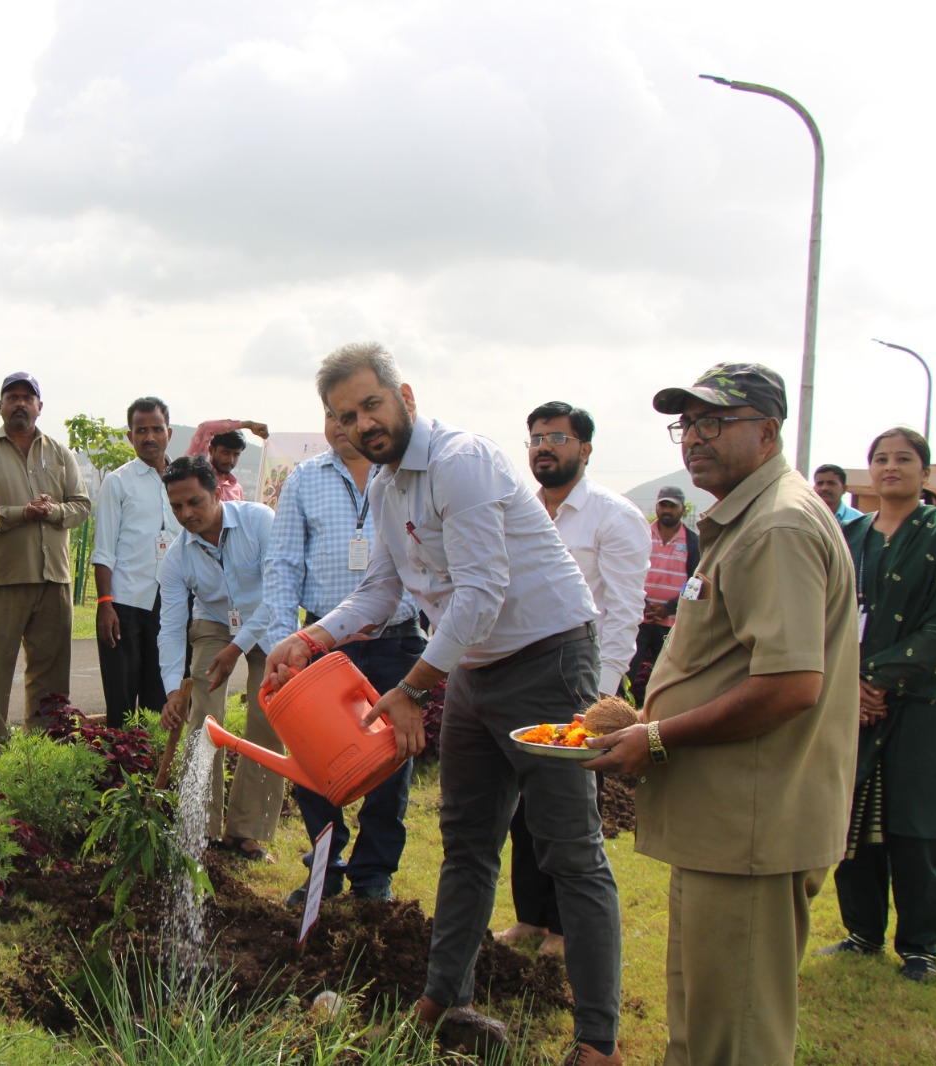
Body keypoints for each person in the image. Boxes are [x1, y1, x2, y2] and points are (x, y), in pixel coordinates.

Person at [264, 343, 620, 1064]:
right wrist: (313, 639)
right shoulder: (386, 488)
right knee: (466, 840)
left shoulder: (462, 461)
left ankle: (598, 1040)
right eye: (344, 416)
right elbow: (384, 590)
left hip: (548, 658)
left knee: (567, 849)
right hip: (475, 668)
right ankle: (444, 994)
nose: (362, 423)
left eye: (371, 404)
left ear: (405, 396)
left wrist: (409, 690)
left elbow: (482, 591)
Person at [585, 362, 857, 1066]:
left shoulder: (779, 526)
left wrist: (658, 738)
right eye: (688, 424)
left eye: (715, 422)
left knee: (735, 1035)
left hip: (752, 823)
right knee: (706, 1020)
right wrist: (645, 714)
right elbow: (733, 662)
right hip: (728, 822)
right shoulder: (745, 518)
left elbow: (790, 685)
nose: (694, 439)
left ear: (768, 432)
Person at [821, 428, 936, 982]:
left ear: (925, 473)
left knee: (916, 826)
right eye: (881, 459)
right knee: (851, 815)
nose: (891, 467)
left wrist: (876, 678)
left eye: (904, 459)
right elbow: (833, 614)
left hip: (925, 702)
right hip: (855, 703)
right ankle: (862, 932)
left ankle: (921, 948)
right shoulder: (853, 536)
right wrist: (851, 685)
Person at [497, 401, 649, 959]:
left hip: (582, 683)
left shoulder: (615, 515)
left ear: (585, 448)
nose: (544, 447)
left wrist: (599, 696)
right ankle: (531, 918)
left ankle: (565, 929)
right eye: (535, 437)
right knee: (522, 808)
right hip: (521, 674)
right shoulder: (521, 511)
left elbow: (624, 610)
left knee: (570, 812)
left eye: (557, 437)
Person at [264, 411, 425, 903]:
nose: (340, 426)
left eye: (351, 415)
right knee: (313, 761)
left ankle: (374, 874)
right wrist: (281, 644)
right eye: (332, 415)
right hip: (319, 645)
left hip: (395, 638)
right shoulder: (303, 480)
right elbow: (282, 562)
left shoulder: (401, 476)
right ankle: (326, 862)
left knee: (393, 758)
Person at [158, 456, 284, 860]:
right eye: (177, 507)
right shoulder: (177, 557)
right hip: (214, 624)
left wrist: (239, 647)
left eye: (194, 502)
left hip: (270, 624)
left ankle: (246, 831)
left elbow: (278, 595)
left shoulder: (259, 522)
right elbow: (172, 627)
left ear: (217, 493)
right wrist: (173, 691)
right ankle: (203, 827)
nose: (186, 514)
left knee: (267, 718)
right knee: (204, 719)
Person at [0, 372, 90, 742]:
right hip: (3, 578)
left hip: (54, 580)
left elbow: (82, 507)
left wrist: (50, 512)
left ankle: (45, 747)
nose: (20, 403)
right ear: (0, 407)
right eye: (12, 397)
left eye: (27, 397)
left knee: (51, 672)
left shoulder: (59, 452)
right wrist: (23, 512)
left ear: (39, 406)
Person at [91, 397, 182, 727]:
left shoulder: (182, 481)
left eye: (156, 429)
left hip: (171, 605)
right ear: (129, 436)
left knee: (162, 698)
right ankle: (121, 769)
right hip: (125, 604)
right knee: (122, 699)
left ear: (168, 432)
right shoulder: (118, 482)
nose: (149, 437)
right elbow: (103, 550)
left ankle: (154, 769)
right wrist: (105, 603)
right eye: (140, 430)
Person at [629, 485, 700, 698]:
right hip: (639, 617)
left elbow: (694, 582)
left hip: (670, 621)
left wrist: (669, 608)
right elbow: (629, 571)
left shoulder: (692, 541)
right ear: (657, 507)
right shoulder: (642, 533)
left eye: (672, 506)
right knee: (629, 669)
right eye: (663, 505)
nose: (667, 510)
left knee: (664, 673)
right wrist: (644, 604)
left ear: (682, 510)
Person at [185, 418, 269, 502]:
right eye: (226, 452)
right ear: (211, 450)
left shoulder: (237, 489)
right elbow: (205, 427)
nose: (231, 459)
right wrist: (248, 425)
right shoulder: (196, 473)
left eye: (236, 454)